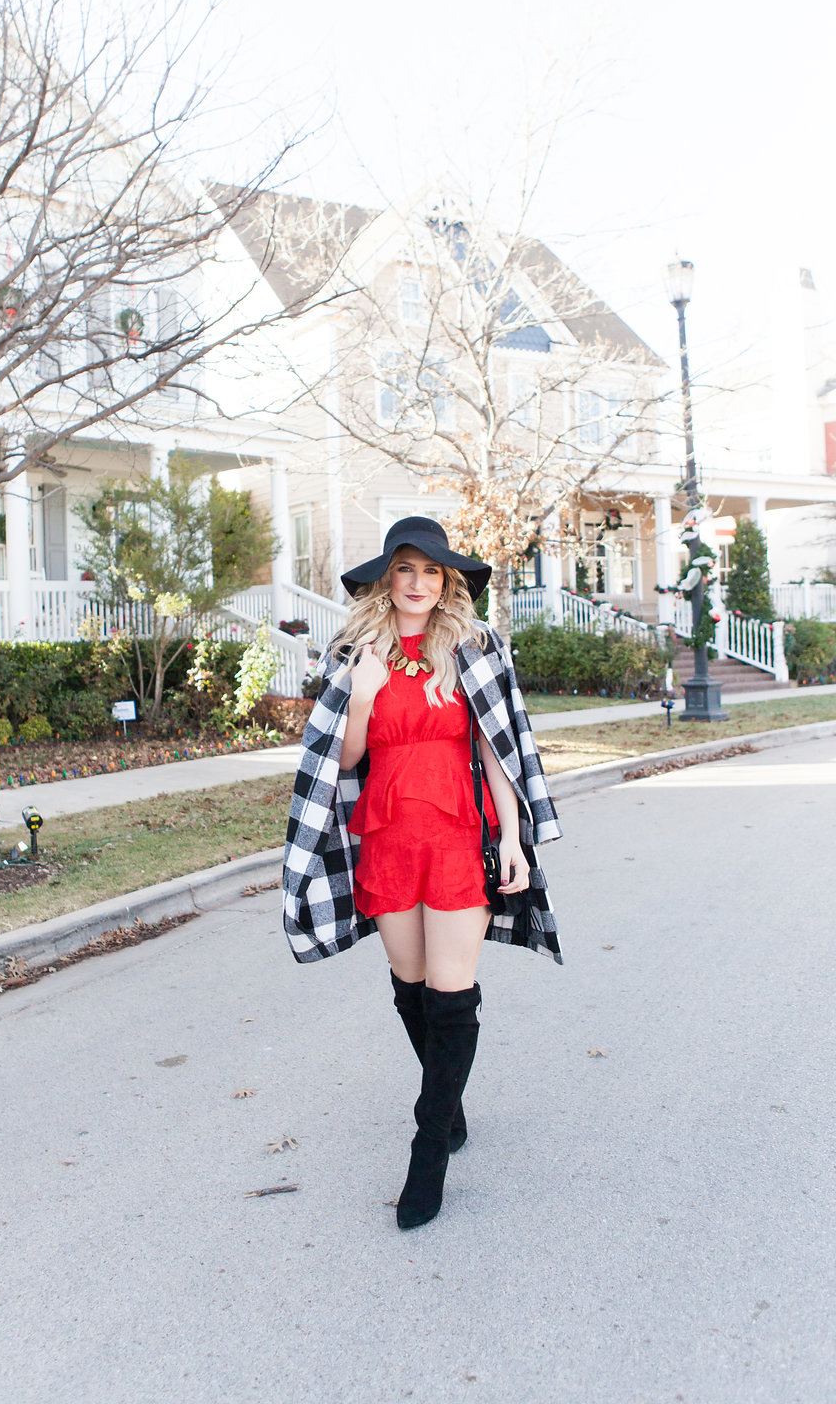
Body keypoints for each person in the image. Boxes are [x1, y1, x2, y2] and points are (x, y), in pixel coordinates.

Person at [283, 516, 562, 1230]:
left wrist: (513, 839)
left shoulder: (472, 648)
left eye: (431, 572)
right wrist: (368, 690)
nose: (417, 584)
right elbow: (341, 761)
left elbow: (497, 746)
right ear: (387, 580)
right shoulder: (355, 652)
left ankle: (428, 1145)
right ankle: (452, 1103)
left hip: (455, 834)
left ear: (448, 584)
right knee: (411, 991)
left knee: (450, 994)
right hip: (386, 836)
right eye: (405, 570)